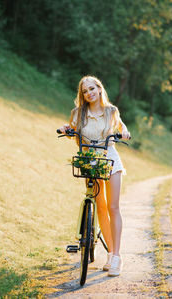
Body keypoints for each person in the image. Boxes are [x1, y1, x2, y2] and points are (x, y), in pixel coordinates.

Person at [59, 75, 131, 276]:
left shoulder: (111, 111)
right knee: (100, 205)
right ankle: (109, 254)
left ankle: (116, 256)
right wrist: (66, 129)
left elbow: (121, 125)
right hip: (90, 160)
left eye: (92, 88)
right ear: (82, 94)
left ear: (99, 89)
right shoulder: (79, 113)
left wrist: (124, 131)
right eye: (85, 91)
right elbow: (70, 127)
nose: (89, 93)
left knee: (113, 206)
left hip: (110, 160)